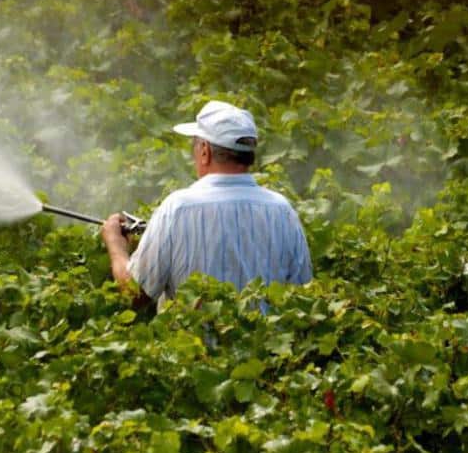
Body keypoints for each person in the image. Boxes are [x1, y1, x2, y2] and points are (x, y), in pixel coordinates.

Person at [101, 100, 312, 307]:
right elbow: (302, 297)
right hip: (265, 342)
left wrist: (116, 246)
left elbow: (135, 294)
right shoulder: (282, 210)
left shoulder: (177, 208)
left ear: (205, 151)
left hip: (194, 342)